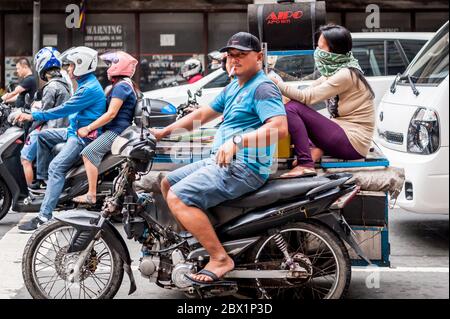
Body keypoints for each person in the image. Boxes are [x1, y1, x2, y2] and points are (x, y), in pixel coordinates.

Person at [151, 32, 288, 285]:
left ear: (259, 57)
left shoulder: (262, 87)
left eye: (241, 55)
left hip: (244, 167)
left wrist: (238, 142)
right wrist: (163, 133)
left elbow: (279, 128)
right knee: (167, 182)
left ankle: (220, 258)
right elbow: (203, 115)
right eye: (230, 55)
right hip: (221, 161)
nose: (233, 60)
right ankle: (195, 243)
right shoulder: (235, 85)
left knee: (178, 196)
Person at [15, 46, 106, 232]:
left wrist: (33, 116)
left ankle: (43, 216)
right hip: (72, 130)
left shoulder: (88, 88)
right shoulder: (84, 83)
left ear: (81, 66)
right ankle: (45, 182)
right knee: (42, 137)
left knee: (55, 167)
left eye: (71, 66)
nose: (68, 69)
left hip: (82, 137)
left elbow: (63, 109)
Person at [270, 24, 375, 178]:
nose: (317, 53)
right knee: (293, 105)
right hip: (344, 132)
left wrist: (277, 84)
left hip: (353, 142)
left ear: (333, 50)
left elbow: (307, 98)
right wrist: (285, 94)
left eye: (321, 48)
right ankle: (316, 150)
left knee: (291, 108)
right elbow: (306, 92)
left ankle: (305, 164)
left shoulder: (346, 74)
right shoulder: (336, 70)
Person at [73, 51, 139, 204]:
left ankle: (91, 194)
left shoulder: (121, 87)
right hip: (118, 129)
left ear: (118, 66)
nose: (108, 68)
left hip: (116, 131)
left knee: (89, 153)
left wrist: (88, 128)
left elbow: (111, 114)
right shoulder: (124, 85)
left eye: (110, 65)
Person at [22, 47, 71, 189]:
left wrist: (30, 123)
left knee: (25, 158)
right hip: (63, 126)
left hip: (52, 128)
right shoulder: (65, 84)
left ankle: (32, 187)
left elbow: (44, 113)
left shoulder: (51, 87)